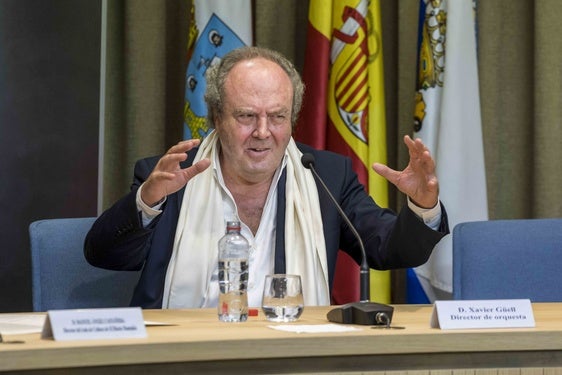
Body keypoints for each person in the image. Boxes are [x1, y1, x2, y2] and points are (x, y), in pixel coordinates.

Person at [84, 46, 449, 309]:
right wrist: (147, 203)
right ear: (216, 117)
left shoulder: (325, 176)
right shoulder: (170, 175)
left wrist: (422, 205)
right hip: (183, 359)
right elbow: (104, 254)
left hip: (292, 356)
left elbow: (389, 248)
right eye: (246, 116)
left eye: (277, 117)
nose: (263, 132)